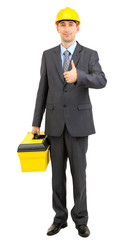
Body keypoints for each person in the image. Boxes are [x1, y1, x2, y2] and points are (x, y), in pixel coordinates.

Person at [31, 7, 107, 238]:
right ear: (57, 28)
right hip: (54, 124)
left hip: (79, 123)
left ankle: (81, 220)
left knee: (79, 174)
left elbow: (102, 80)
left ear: (77, 27)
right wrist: (36, 122)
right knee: (56, 176)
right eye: (62, 25)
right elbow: (42, 89)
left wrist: (79, 77)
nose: (67, 29)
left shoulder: (89, 54)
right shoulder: (48, 55)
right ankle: (59, 218)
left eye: (71, 24)